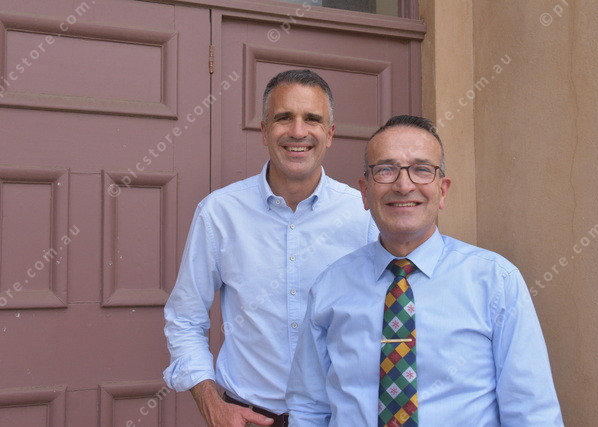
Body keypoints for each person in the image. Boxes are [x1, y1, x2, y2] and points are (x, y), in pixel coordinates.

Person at [286, 115, 564, 426]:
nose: (403, 186)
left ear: (442, 190)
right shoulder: (330, 286)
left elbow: (531, 412)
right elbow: (309, 409)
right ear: (364, 192)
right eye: (386, 170)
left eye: (421, 169)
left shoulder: (496, 282)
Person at [163, 69, 377, 427]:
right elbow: (184, 319)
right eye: (283, 118)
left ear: (330, 134)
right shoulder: (219, 213)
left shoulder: (364, 215)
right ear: (264, 131)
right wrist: (211, 403)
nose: (298, 131)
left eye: (312, 119)